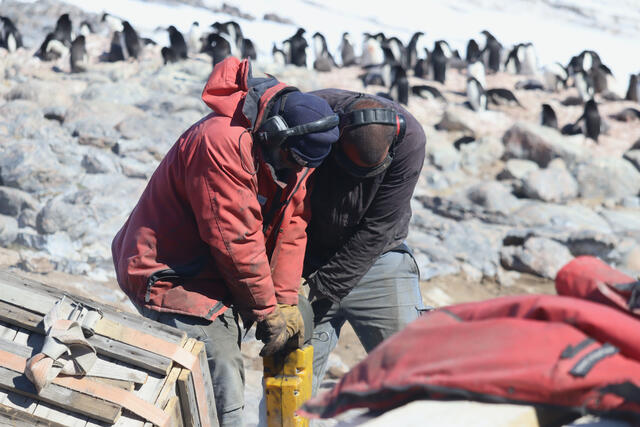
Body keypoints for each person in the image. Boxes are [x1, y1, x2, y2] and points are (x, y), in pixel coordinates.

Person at [111, 57, 339, 426]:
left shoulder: (296, 153)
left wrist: (284, 302)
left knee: (250, 350)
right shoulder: (221, 140)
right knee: (222, 372)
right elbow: (235, 239)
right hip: (169, 272)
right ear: (275, 133)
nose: (297, 170)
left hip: (213, 272)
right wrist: (267, 313)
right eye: (293, 160)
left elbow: (292, 226)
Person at [303, 89, 426, 394]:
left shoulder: (410, 140)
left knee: (406, 372)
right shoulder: (311, 117)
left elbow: (379, 227)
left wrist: (324, 286)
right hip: (308, 257)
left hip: (379, 259)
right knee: (290, 380)